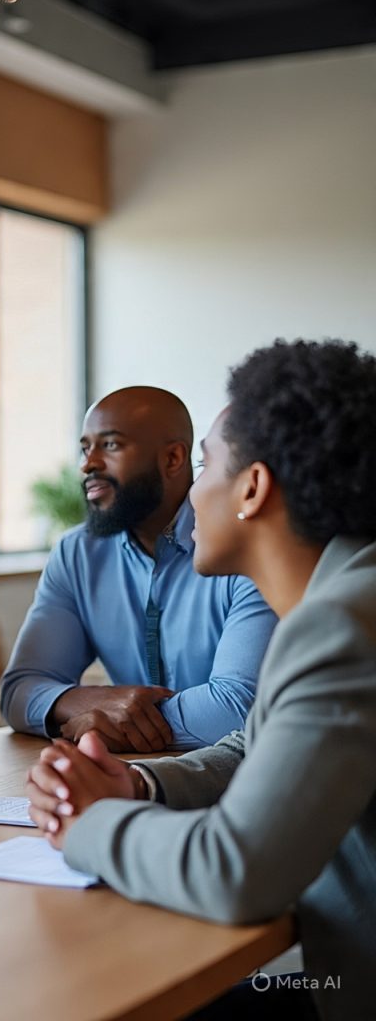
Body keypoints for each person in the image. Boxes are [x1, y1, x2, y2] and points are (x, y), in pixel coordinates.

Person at [26, 339, 376, 1020]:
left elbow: (235, 871)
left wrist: (91, 821)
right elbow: (258, 743)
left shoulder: (340, 627)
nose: (192, 491)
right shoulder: (344, 596)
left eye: (207, 463)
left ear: (253, 489)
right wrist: (138, 784)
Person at [1, 386, 276, 752]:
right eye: (85, 448)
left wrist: (114, 722)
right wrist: (94, 702)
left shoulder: (241, 545)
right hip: (129, 774)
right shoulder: (77, 554)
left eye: (110, 445)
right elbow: (20, 692)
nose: (88, 464)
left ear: (173, 459)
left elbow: (239, 708)